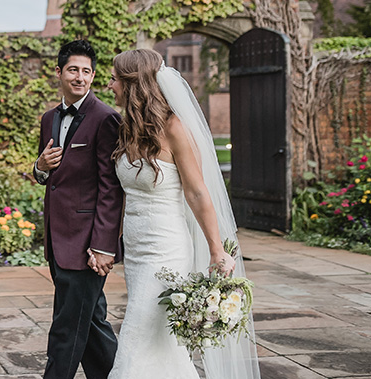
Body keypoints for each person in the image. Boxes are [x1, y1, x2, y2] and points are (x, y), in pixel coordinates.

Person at [104, 48, 260, 379]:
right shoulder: (128, 128)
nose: (109, 86)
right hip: (136, 250)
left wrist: (217, 250)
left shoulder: (174, 127)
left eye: (114, 79)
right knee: (162, 343)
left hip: (166, 249)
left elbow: (197, 191)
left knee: (136, 336)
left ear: (133, 84)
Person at [33, 39, 124, 379]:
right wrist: (40, 166)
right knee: (92, 323)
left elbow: (110, 188)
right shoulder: (48, 118)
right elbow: (47, 175)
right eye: (73, 70)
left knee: (67, 328)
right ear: (59, 73)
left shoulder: (106, 119)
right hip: (58, 242)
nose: (80, 77)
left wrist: (102, 246)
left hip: (87, 245)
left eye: (87, 72)